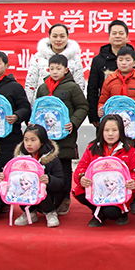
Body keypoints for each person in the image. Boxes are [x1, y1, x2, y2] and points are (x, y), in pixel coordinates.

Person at [97, 45, 135, 214]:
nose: (124, 63)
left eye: (127, 60)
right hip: (113, 134)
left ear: (134, 62)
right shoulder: (109, 80)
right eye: (120, 60)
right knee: (114, 164)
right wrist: (100, 109)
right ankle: (113, 196)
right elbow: (102, 101)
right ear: (116, 62)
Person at [34, 54, 89, 216]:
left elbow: (83, 107)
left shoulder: (72, 87)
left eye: (58, 68)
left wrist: (73, 122)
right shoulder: (43, 88)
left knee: (64, 167)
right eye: (52, 69)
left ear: (66, 70)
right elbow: (37, 108)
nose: (55, 72)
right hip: (46, 136)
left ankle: (64, 199)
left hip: (65, 135)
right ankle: (46, 197)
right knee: (45, 165)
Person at [73, 114, 135, 227]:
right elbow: (81, 167)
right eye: (106, 130)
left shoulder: (129, 150)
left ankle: (121, 212)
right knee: (79, 191)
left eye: (114, 130)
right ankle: (99, 212)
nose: (110, 134)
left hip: (118, 191)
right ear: (101, 131)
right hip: (98, 189)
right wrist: (82, 178)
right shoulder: (92, 148)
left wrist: (133, 182)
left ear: (121, 131)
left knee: (111, 212)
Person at [87, 20, 135, 127]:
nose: (117, 36)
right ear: (109, 36)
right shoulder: (99, 60)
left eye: (121, 33)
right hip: (106, 115)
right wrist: (94, 115)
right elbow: (92, 89)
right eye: (114, 33)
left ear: (127, 36)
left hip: (133, 117)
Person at [8, 125, 67, 227]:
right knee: (19, 185)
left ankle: (50, 212)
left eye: (33, 140)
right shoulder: (19, 159)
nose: (29, 144)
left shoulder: (51, 158)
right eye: (26, 140)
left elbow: (62, 182)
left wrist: (49, 180)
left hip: (49, 196)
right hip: (27, 191)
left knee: (40, 186)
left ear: (42, 141)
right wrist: (6, 178)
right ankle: (29, 212)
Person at [25, 23, 86, 105]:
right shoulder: (38, 57)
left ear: (67, 37)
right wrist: (31, 107)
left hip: (67, 107)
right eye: (54, 36)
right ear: (49, 37)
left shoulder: (75, 59)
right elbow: (30, 84)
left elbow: (79, 85)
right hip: (42, 106)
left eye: (62, 36)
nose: (58, 39)